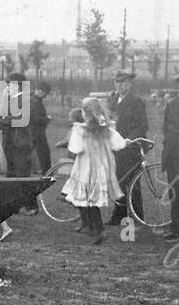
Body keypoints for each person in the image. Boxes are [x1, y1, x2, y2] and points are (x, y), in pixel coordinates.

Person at [62, 97, 127, 245]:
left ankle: (100, 230)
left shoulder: (80, 130)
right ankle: (93, 228)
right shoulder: (108, 129)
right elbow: (119, 145)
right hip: (103, 169)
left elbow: (75, 148)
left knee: (88, 201)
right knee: (93, 201)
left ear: (86, 113)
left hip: (86, 169)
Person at [107, 70, 148, 225]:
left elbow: (142, 126)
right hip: (114, 147)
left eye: (123, 82)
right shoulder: (112, 100)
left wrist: (129, 139)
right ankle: (118, 215)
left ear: (130, 84)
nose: (120, 85)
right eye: (117, 82)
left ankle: (136, 219)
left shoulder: (137, 101)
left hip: (130, 148)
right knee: (118, 181)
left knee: (132, 184)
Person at [0, 71, 37, 212]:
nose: (7, 87)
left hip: (22, 144)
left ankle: (31, 206)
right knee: (11, 175)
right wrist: (7, 119)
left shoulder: (27, 100)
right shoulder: (7, 101)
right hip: (8, 143)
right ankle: (17, 205)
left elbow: (22, 121)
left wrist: (7, 119)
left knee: (23, 176)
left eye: (10, 84)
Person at [163, 86, 179, 242]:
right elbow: (165, 130)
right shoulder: (171, 105)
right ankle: (175, 228)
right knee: (174, 193)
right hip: (174, 156)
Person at [29, 79, 53, 176]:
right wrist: (47, 119)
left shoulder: (33, 100)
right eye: (45, 93)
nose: (45, 96)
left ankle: (43, 171)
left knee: (34, 153)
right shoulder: (35, 102)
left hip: (32, 131)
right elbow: (36, 119)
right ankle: (47, 173)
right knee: (44, 153)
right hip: (37, 131)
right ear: (41, 91)